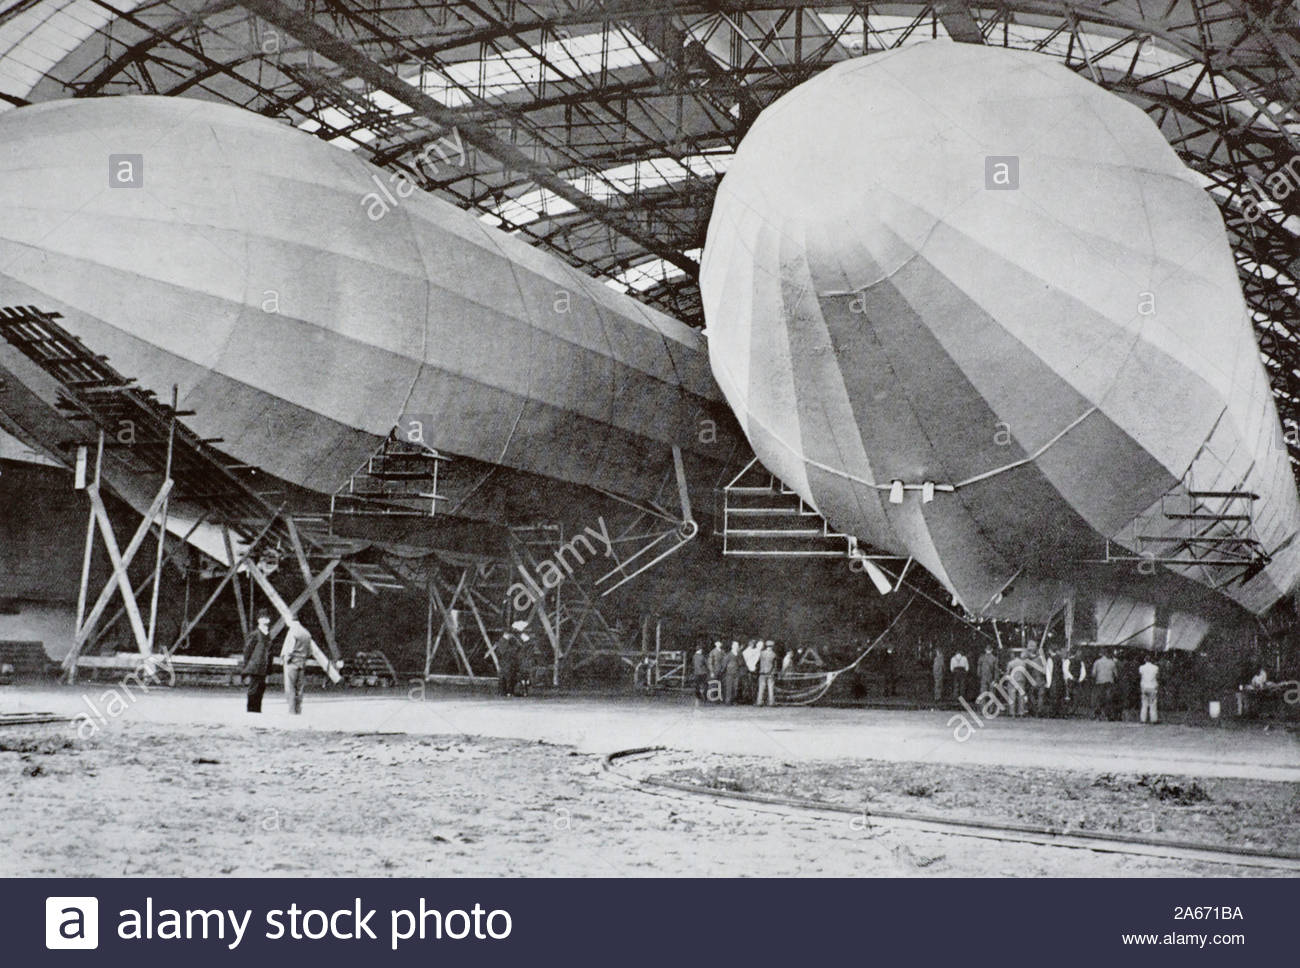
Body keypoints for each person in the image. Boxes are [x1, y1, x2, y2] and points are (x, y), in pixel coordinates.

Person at [280, 620, 316, 715]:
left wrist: (285, 660)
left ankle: (291, 711)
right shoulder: (307, 633)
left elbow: (289, 649)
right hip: (302, 663)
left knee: (290, 687)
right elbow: (310, 651)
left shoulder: (292, 632)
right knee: (299, 688)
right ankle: (298, 710)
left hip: (292, 663)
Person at [241, 611, 275, 713]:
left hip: (264, 666)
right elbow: (247, 650)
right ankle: (251, 710)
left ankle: (257, 710)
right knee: (254, 688)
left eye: (267, 618)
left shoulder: (267, 634)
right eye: (263, 618)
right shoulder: (255, 634)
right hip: (255, 666)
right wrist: (247, 665)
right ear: (259, 620)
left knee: (261, 688)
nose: (266, 620)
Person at [1092, 649, 1118, 721]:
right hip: (1109, 682)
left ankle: (1097, 715)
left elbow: (1093, 673)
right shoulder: (1112, 662)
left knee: (1099, 699)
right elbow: (1116, 674)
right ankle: (1108, 716)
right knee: (1108, 699)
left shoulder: (1097, 662)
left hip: (1099, 682)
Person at [1139, 653, 1160, 724]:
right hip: (1153, 686)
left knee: (1144, 704)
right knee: (1153, 704)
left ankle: (1143, 719)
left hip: (1144, 687)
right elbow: (1157, 677)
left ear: (1145, 660)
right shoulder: (1156, 667)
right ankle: (1153, 719)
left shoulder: (1141, 667)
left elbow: (1141, 676)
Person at [756, 640, 777, 706]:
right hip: (770, 673)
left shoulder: (762, 653)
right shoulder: (773, 654)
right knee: (770, 688)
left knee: (761, 688)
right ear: (772, 647)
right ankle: (771, 702)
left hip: (762, 673)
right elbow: (775, 665)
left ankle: (759, 702)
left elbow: (758, 662)